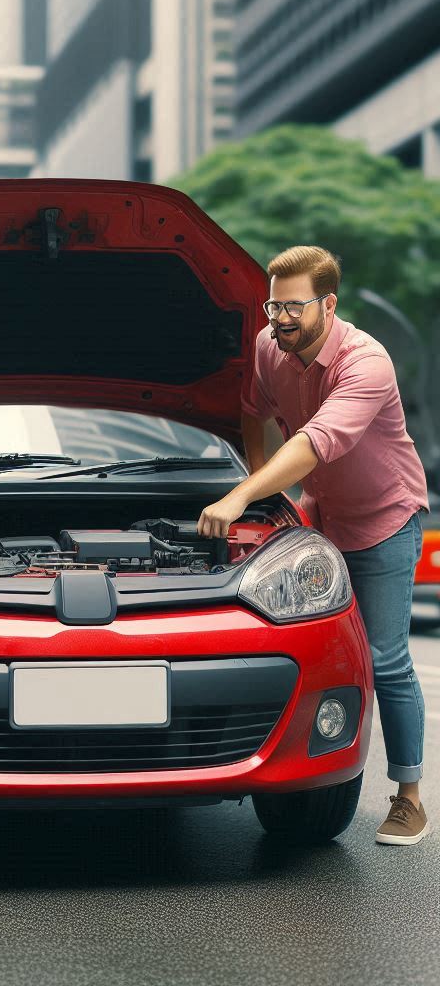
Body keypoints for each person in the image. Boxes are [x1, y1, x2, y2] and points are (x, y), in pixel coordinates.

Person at [198, 245, 430, 846]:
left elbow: (312, 444)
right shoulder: (267, 347)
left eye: (294, 306)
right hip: (316, 518)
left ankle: (408, 797)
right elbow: (253, 412)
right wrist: (263, 497)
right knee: (304, 648)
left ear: (329, 303)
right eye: (274, 304)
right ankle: (301, 772)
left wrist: (237, 498)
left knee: (385, 659)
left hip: (383, 521)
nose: (280, 318)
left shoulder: (366, 362)